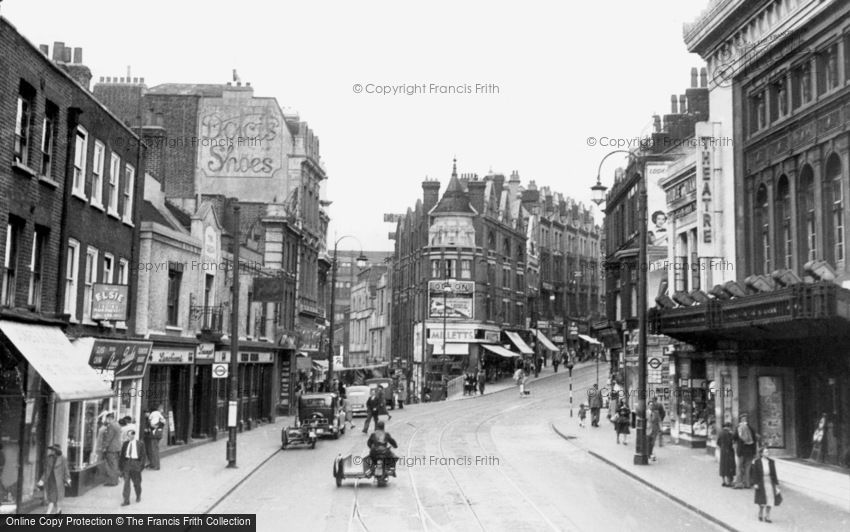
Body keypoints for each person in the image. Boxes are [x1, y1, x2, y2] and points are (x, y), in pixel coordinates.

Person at [37, 444, 70, 515]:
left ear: (56, 451)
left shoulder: (63, 459)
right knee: (53, 498)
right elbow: (46, 471)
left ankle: (49, 513)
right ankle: (58, 511)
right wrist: (42, 480)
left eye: (53, 450)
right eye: (51, 450)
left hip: (59, 481)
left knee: (55, 498)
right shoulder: (49, 458)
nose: (51, 451)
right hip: (50, 480)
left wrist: (68, 479)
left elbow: (66, 469)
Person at [753, 446, 780, 523]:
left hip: (769, 482)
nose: (767, 453)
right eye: (765, 452)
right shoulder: (757, 462)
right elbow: (755, 474)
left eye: (768, 452)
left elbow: (774, 473)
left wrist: (777, 484)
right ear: (761, 453)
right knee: (762, 500)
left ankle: (767, 516)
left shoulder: (771, 462)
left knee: (770, 499)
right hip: (761, 482)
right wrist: (755, 483)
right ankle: (760, 512)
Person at [119, 429, 146, 506]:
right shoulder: (125, 444)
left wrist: (141, 466)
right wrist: (121, 467)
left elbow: (143, 456)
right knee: (126, 483)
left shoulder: (140, 444)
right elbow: (122, 456)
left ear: (134, 435)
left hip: (135, 463)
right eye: (129, 435)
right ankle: (126, 500)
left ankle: (138, 495)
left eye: (132, 435)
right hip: (127, 463)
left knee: (137, 482)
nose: (130, 436)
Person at [733, 413, 758, 489]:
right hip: (750, 452)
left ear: (740, 419)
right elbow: (755, 440)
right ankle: (747, 484)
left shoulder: (738, 427)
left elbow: (734, 438)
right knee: (748, 468)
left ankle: (739, 483)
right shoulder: (751, 428)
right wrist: (754, 452)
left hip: (741, 451)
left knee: (739, 467)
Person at [103, 413, 123, 486]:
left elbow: (109, 437)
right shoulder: (117, 424)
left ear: (109, 418)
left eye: (107, 419)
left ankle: (113, 481)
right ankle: (116, 479)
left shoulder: (111, 426)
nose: (106, 420)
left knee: (112, 464)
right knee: (115, 464)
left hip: (111, 448)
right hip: (117, 447)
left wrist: (105, 447)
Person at [717, 422, 736, 487]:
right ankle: (729, 482)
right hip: (729, 451)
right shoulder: (729, 433)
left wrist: (722, 447)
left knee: (723, 466)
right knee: (729, 466)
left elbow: (718, 442)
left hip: (723, 451)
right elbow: (730, 442)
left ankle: (723, 481)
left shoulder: (721, 432)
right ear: (729, 427)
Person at [146, 405, 166, 470]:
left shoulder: (153, 415)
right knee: (155, 449)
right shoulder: (160, 416)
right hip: (158, 434)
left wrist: (152, 426)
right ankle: (154, 464)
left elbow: (153, 426)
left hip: (155, 435)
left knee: (154, 450)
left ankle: (156, 466)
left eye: (146, 413)